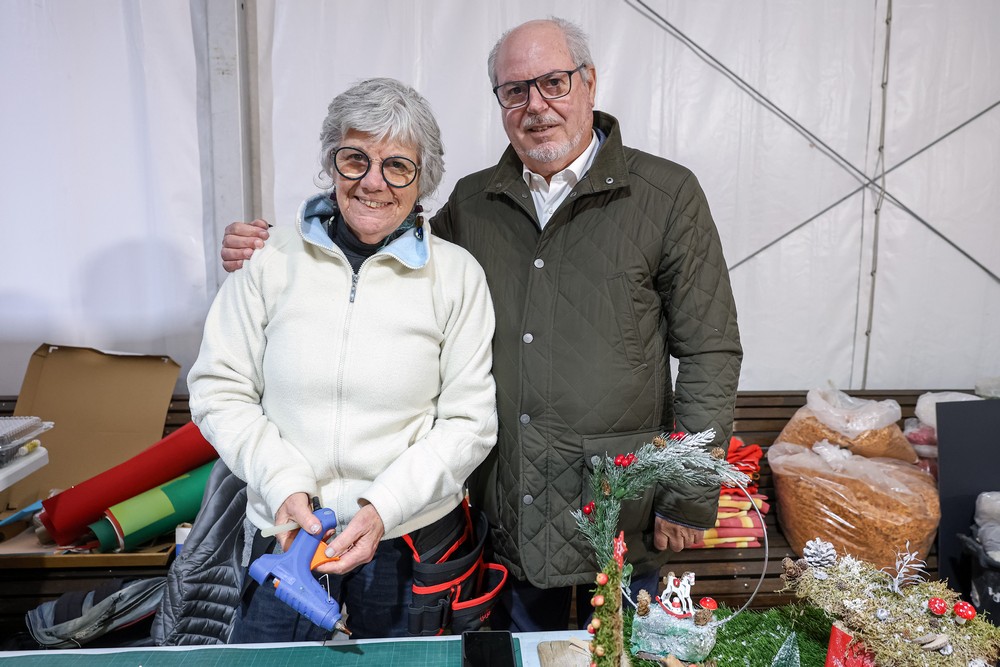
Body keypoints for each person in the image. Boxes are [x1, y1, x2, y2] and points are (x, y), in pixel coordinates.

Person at [221, 18, 742, 632]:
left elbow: (709, 350)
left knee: (629, 651)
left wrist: (688, 493)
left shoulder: (666, 195)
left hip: (621, 501)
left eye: (553, 82)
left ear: (590, 82)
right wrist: (267, 245)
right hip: (514, 507)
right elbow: (376, 234)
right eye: (515, 90)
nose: (536, 105)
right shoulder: (473, 203)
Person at [188, 77, 498, 641]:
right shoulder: (267, 260)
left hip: (406, 546)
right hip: (285, 539)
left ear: (422, 178)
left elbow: (469, 423)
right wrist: (283, 484)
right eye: (355, 159)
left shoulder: (457, 277)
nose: (373, 182)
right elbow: (218, 388)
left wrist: (381, 507)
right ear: (332, 165)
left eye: (397, 166)